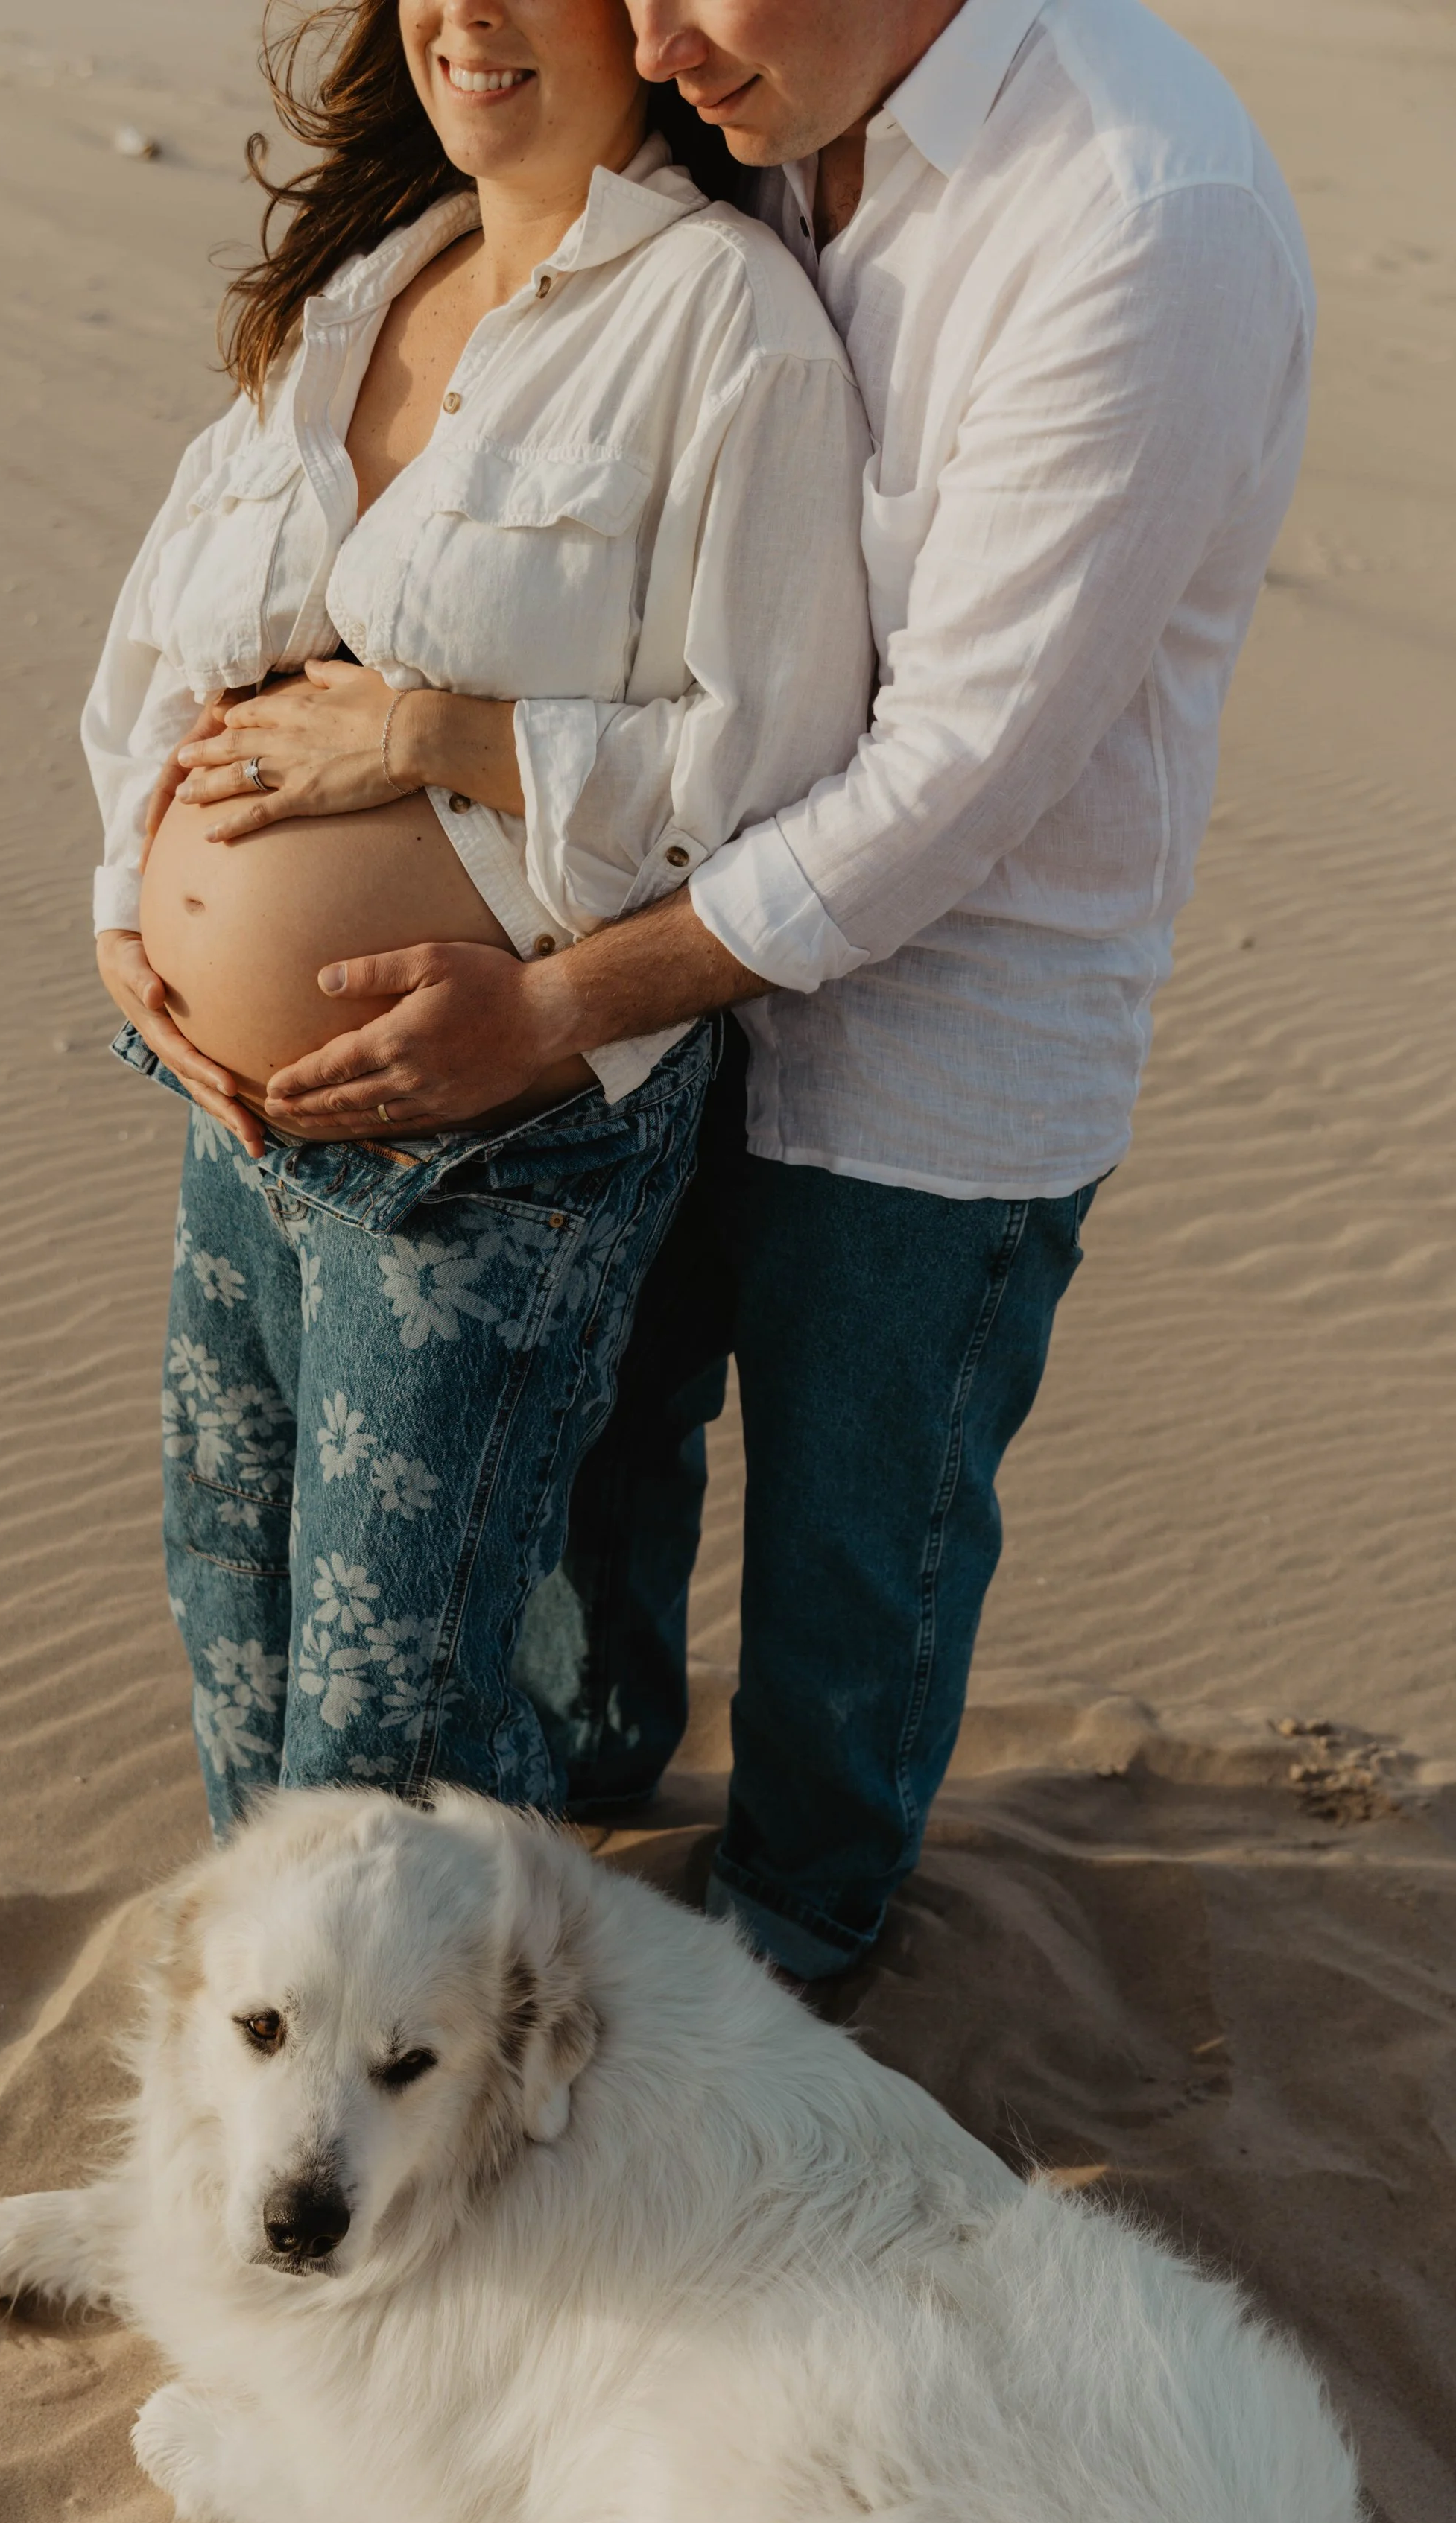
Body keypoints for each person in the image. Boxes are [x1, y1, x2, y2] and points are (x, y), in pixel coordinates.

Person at [189, 0, 1314, 1982]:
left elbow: (942, 780)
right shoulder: (767, 101)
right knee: (602, 1458)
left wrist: (546, 997)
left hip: (938, 1040)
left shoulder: (1140, 214)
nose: (654, 39)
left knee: (850, 1543)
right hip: (674, 983)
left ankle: (800, 1937)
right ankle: (605, 1769)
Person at [83, 0, 872, 1826]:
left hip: (491, 1147)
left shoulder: (722, 323)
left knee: (400, 1708)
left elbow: (765, 772)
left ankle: (456, 2084)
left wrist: (438, 733)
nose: (470, 17)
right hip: (235, 1114)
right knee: (234, 1579)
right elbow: (158, 652)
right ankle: (282, 2049)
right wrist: (129, 906)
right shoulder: (361, 283)